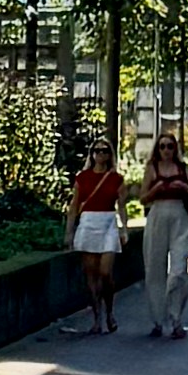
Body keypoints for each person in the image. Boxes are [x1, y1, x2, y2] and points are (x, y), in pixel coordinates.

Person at [136, 126, 188, 341]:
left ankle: (176, 318)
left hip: (179, 214)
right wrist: (155, 190)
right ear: (157, 149)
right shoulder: (151, 168)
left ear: (175, 149)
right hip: (157, 215)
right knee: (155, 268)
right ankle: (157, 319)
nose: (166, 150)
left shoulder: (183, 168)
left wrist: (185, 187)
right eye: (162, 146)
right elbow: (142, 198)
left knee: (178, 269)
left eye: (170, 146)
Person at [66, 136, 130, 335]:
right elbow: (74, 205)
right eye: (97, 151)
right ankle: (97, 317)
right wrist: (69, 231)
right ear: (92, 154)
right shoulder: (82, 178)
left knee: (105, 273)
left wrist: (124, 228)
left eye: (105, 151)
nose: (101, 154)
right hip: (88, 223)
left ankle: (110, 311)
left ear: (110, 155)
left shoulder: (116, 179)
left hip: (108, 223)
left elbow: (122, 206)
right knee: (91, 274)